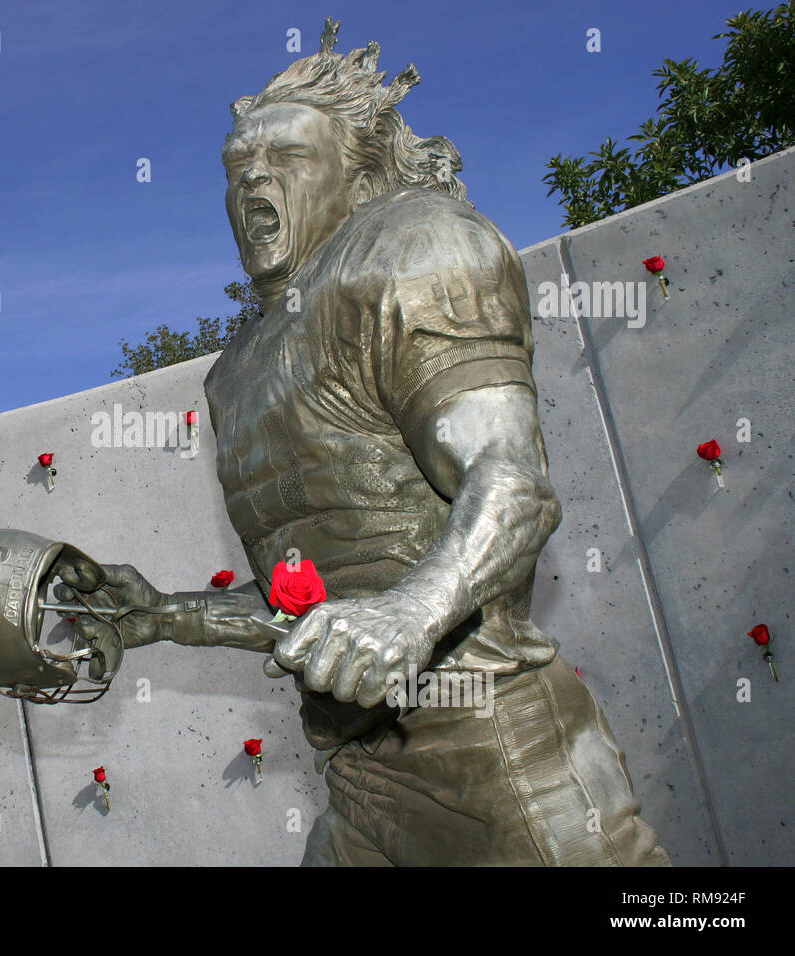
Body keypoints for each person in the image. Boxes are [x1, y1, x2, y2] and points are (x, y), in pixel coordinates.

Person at [59, 23, 670, 866]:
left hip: (494, 754)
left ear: (361, 170)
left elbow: (512, 480)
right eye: (238, 167)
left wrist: (414, 612)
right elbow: (318, 606)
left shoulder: (419, 243)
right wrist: (165, 616)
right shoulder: (237, 368)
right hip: (356, 779)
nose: (254, 183)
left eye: (287, 159)